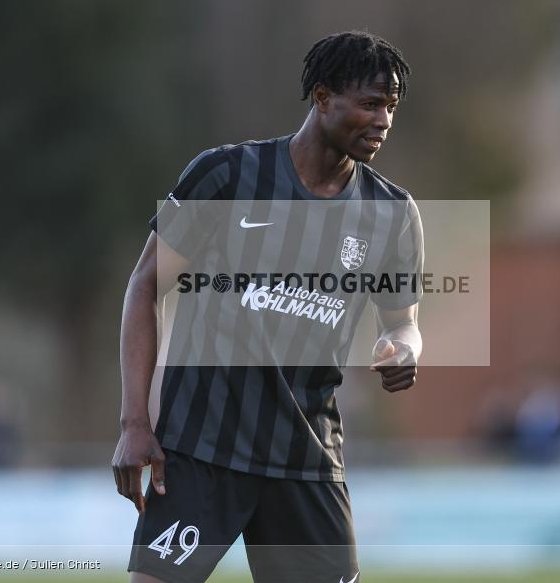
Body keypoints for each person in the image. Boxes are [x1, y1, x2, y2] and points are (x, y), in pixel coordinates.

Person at [113, 30, 422, 583]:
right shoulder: (228, 176)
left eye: (391, 107)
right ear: (323, 98)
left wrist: (402, 348)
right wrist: (135, 421)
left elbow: (404, 323)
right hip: (201, 451)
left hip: (306, 460)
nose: (383, 121)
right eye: (371, 104)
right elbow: (144, 287)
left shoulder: (392, 213)